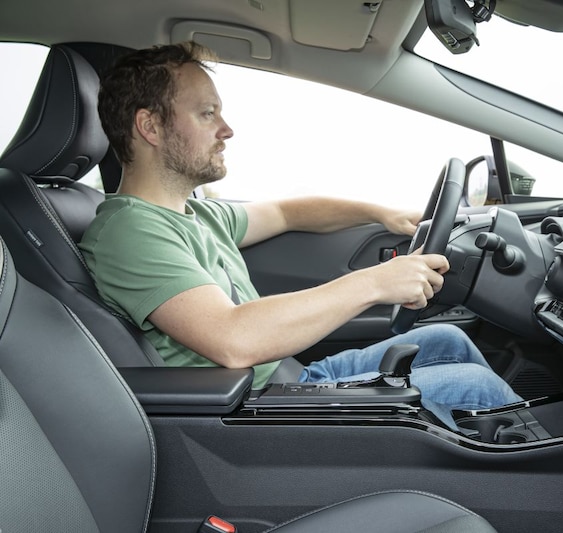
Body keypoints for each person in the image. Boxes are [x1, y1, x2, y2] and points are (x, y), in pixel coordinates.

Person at [79, 42, 522, 425]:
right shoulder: (130, 230)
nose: (227, 129)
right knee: (475, 387)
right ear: (150, 127)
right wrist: (376, 282)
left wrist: (382, 214)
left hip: (287, 377)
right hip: (252, 408)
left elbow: (287, 212)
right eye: (207, 113)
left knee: (448, 340)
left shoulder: (197, 215)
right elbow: (233, 339)